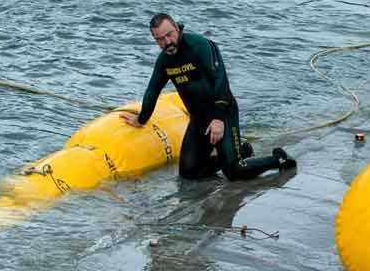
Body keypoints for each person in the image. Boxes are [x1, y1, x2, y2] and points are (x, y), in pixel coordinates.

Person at [120, 13, 295, 180]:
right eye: (160, 39)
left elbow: (221, 81)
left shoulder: (199, 45)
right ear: (155, 40)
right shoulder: (165, 61)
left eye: (169, 35)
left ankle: (279, 158)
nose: (167, 42)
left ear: (177, 28)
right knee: (189, 172)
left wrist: (218, 119)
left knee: (234, 172)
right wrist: (141, 119)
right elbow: (153, 90)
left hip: (222, 112)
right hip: (199, 119)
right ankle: (242, 151)